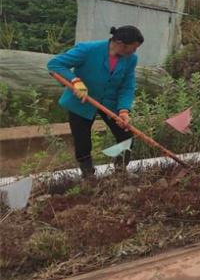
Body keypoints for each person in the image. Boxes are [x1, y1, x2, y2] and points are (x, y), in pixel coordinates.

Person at [47, 26, 144, 179]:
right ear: (119, 42)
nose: (133, 53)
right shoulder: (88, 50)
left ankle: (120, 170)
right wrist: (75, 81)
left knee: (126, 135)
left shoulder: (130, 59)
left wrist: (124, 110)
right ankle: (88, 175)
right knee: (82, 141)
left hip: (110, 102)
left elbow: (127, 85)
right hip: (82, 100)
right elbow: (55, 64)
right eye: (132, 49)